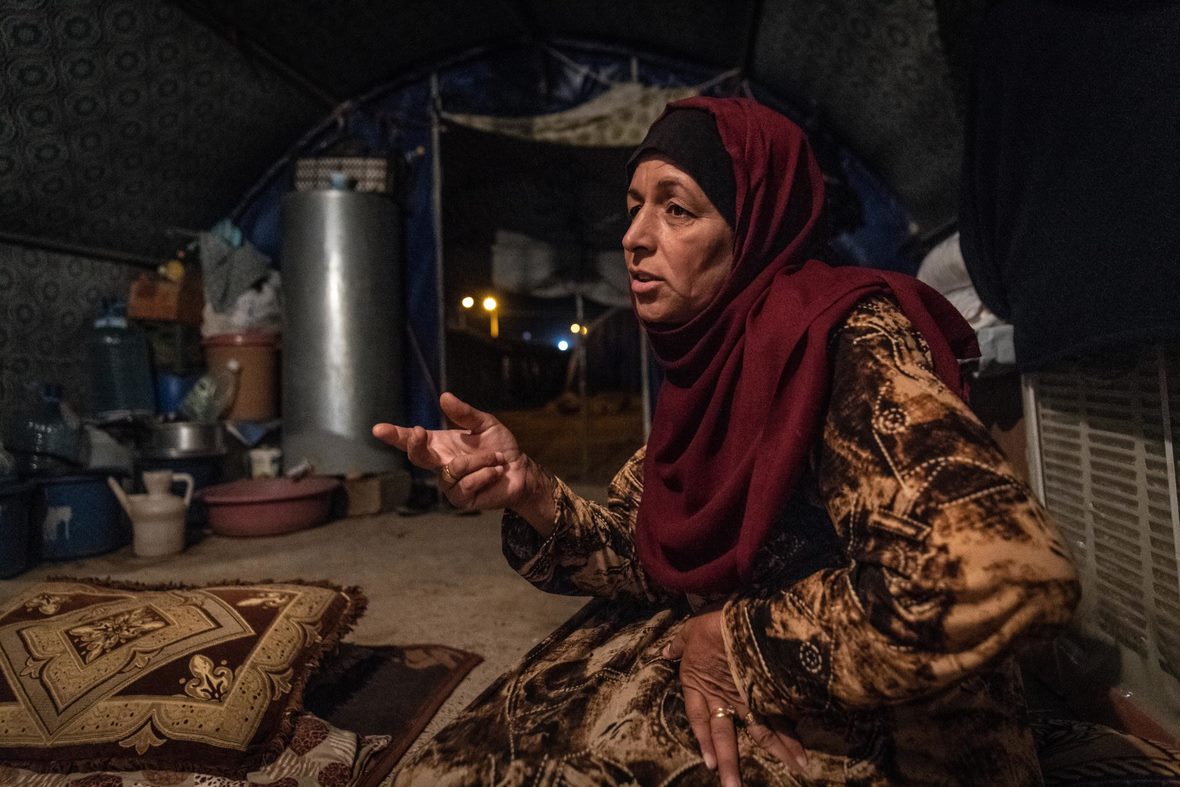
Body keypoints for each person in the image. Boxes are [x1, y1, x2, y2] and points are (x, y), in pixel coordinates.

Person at [374, 97, 1080, 786]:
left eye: (677, 208)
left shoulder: (841, 342)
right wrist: (528, 490)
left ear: (754, 230)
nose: (633, 237)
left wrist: (738, 647)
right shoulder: (714, 361)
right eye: (633, 207)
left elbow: (1001, 569)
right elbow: (651, 546)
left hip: (891, 727)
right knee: (483, 746)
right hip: (759, 660)